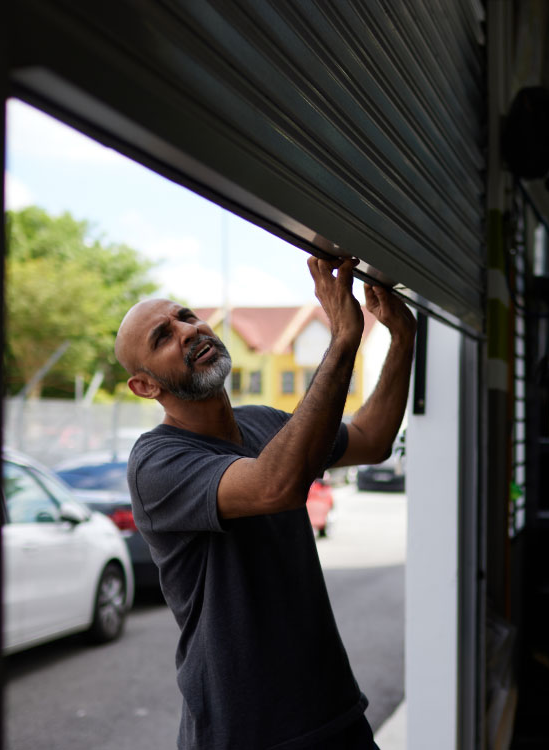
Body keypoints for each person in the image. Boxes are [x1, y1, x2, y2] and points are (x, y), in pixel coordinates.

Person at [114, 256, 416, 749]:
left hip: (335, 714)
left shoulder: (264, 423)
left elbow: (371, 437)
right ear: (145, 386)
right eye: (163, 337)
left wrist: (402, 339)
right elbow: (275, 485)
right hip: (247, 735)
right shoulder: (156, 462)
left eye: (186, 316)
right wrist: (343, 339)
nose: (187, 331)